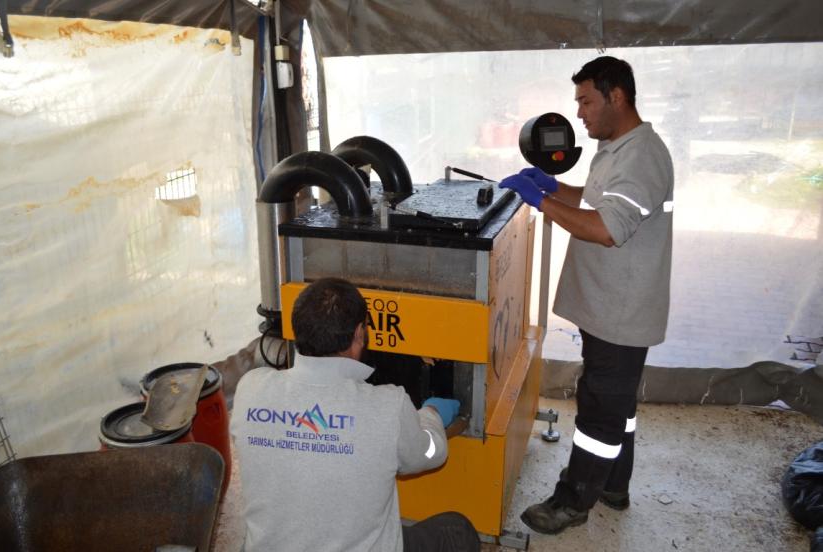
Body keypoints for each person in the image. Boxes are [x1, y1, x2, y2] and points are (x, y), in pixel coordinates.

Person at [499, 56, 674, 535]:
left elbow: (607, 228)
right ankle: (614, 485)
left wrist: (541, 202)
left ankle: (572, 502)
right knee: (618, 406)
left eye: (585, 101)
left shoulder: (641, 157)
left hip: (621, 312)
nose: (578, 113)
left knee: (599, 410)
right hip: (608, 306)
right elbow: (600, 201)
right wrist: (555, 187)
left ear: (616, 96)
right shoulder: (618, 148)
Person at [231, 277, 481, 551]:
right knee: (458, 531)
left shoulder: (250, 389)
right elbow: (432, 453)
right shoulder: (388, 405)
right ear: (359, 334)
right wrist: (431, 414)